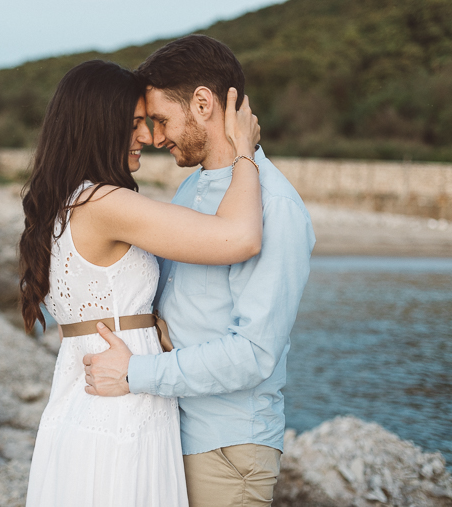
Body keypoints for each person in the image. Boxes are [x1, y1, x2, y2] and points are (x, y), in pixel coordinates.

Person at [83, 35, 316, 507]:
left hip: (228, 448)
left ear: (204, 104)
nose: (152, 137)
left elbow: (254, 354)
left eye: (161, 119)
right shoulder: (190, 189)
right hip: (168, 430)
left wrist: (136, 373)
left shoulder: (276, 207)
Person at [19, 59, 263, 507]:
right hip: (122, 409)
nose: (148, 138)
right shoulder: (105, 202)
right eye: (134, 124)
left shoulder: (65, 201)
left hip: (89, 400)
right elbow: (241, 238)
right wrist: (243, 150)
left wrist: (155, 321)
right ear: (98, 126)